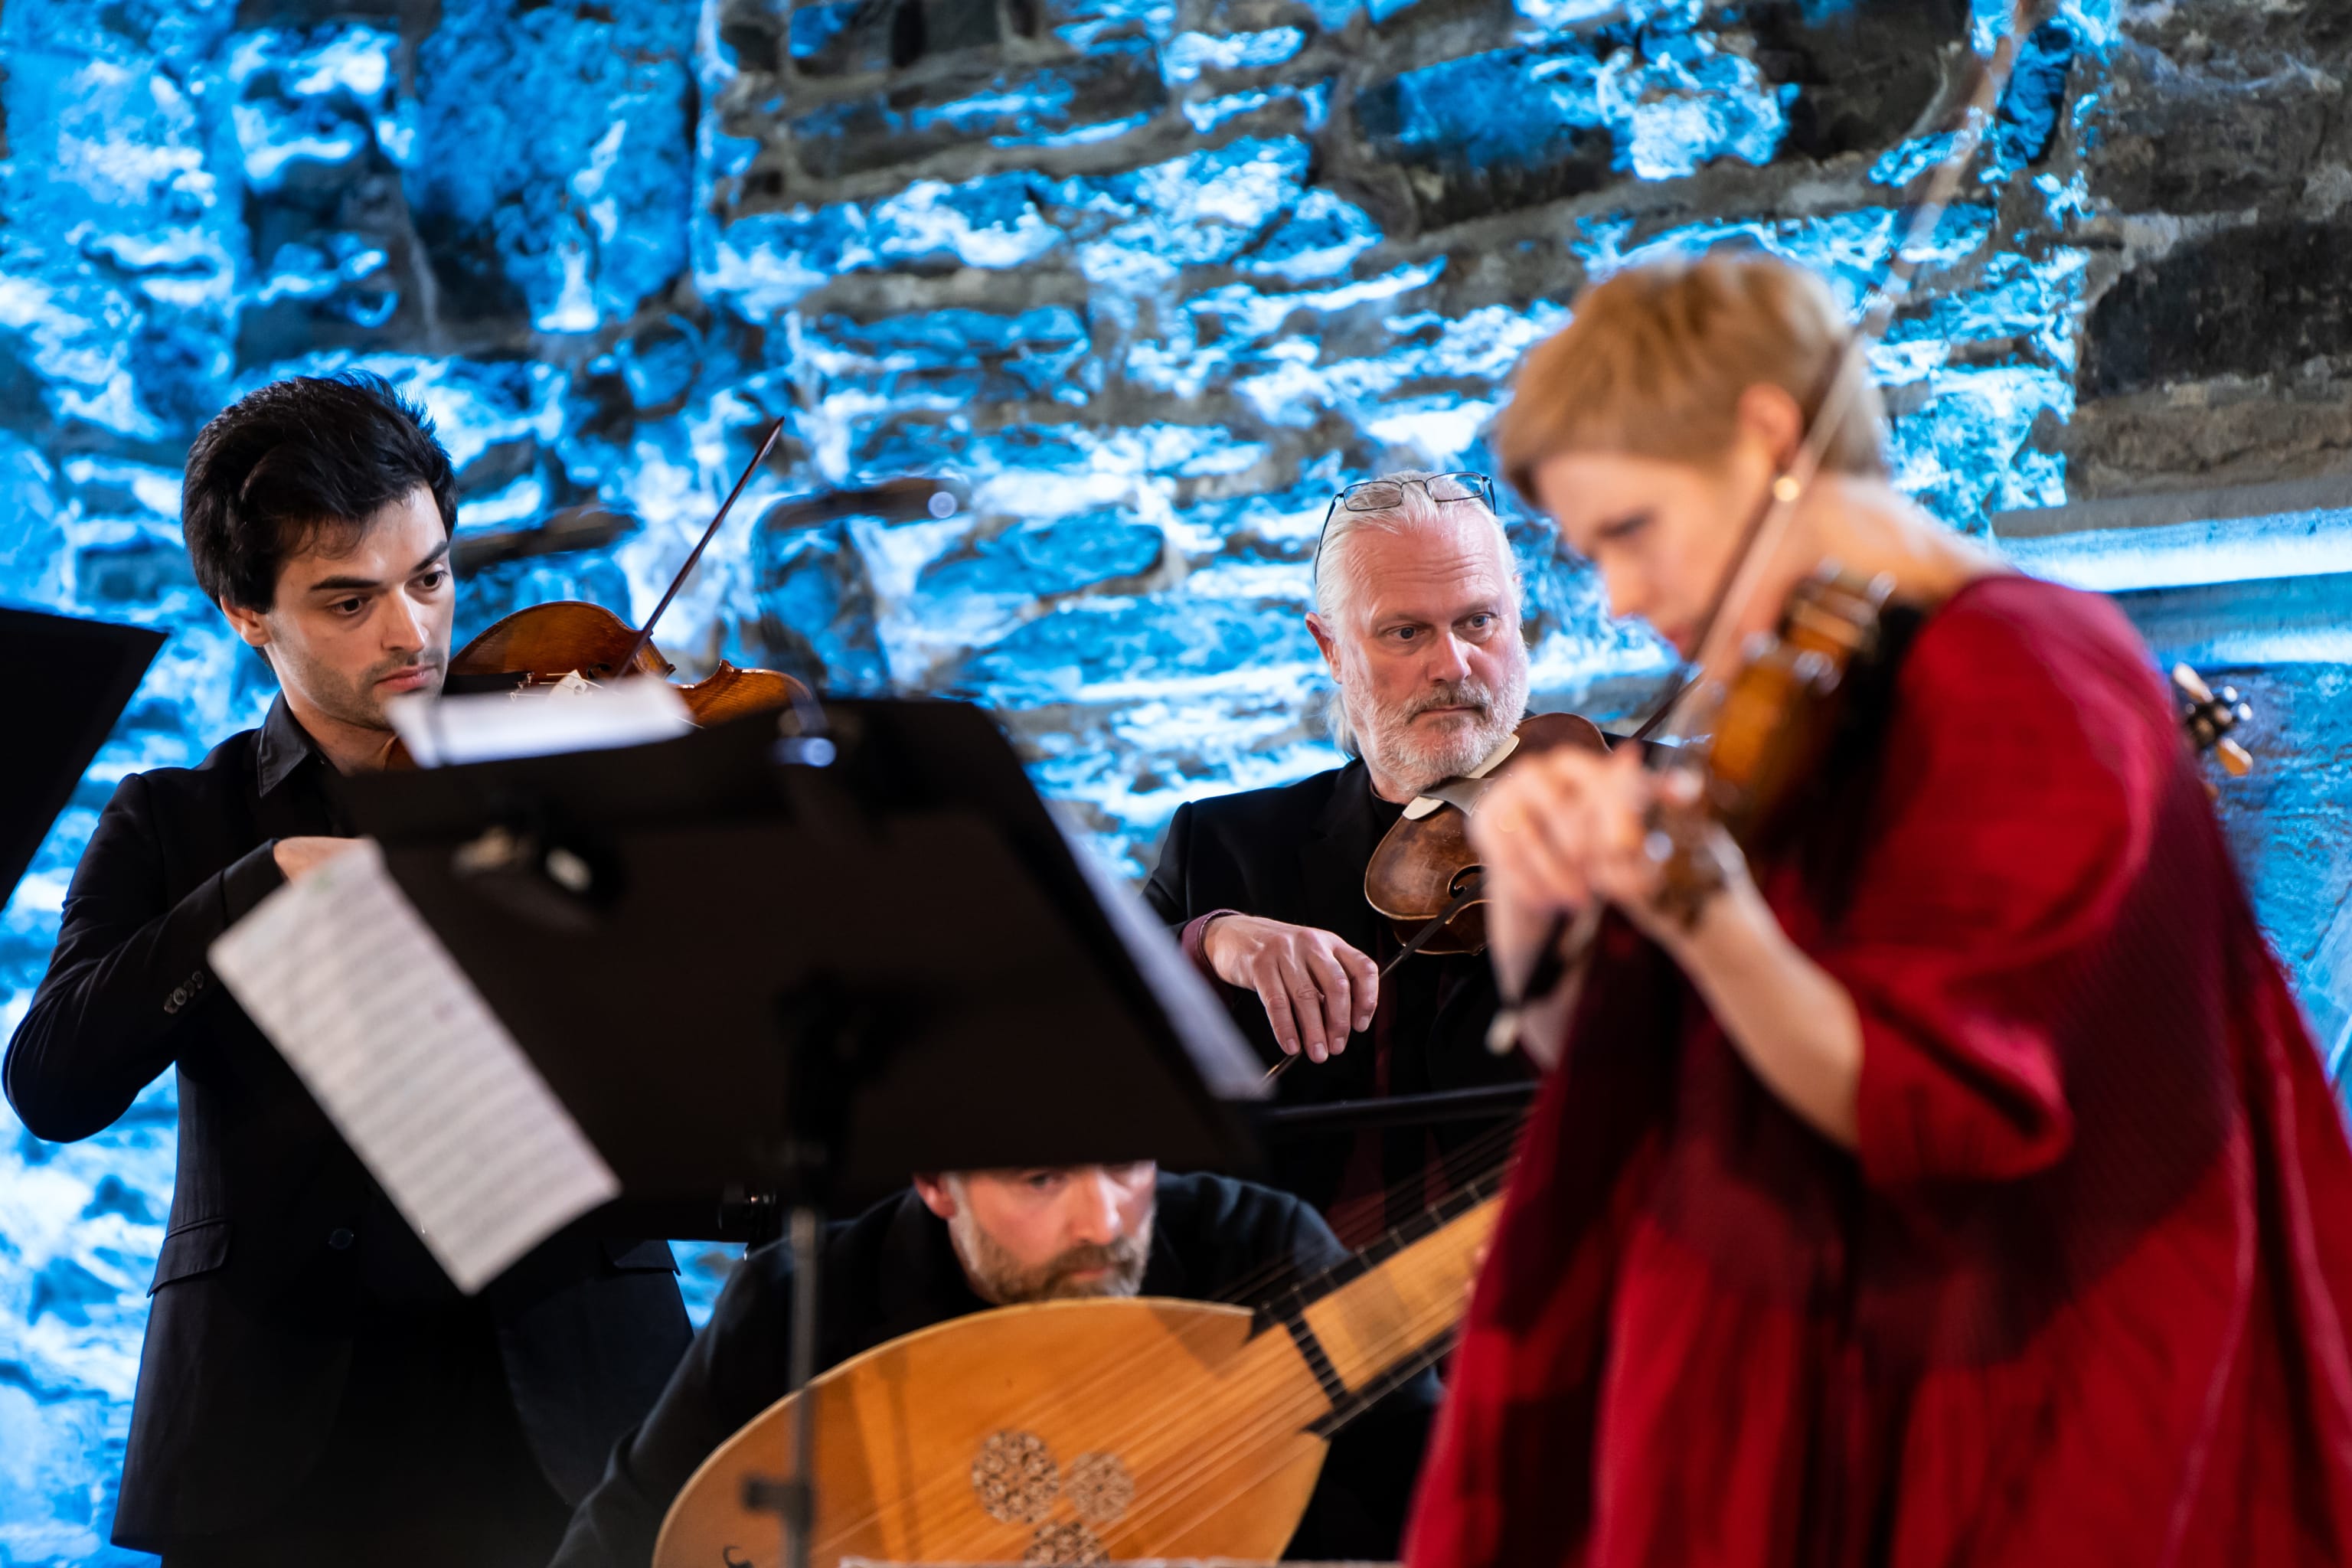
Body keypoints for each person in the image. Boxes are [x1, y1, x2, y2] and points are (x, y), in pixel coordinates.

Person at [1404, 248, 2352, 1567]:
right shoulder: (1812, 690)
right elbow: (1643, 1066)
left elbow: (1945, 1103)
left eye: (1627, 530)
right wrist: (1534, 902)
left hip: (1995, 1426)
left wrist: (1701, 915)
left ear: (1767, 436)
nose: (1617, 596)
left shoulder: (2021, 673)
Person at [3, 374, 692, 1566]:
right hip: (276, 1431)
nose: (412, 633)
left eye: (429, 578)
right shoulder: (177, 820)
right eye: (347, 600)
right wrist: (254, 888)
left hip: (578, 1409)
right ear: (244, 612)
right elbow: (55, 1086)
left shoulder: (579, 765)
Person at [550, 1163, 1436, 1565]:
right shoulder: (804, 1301)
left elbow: (1449, 1506)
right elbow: (617, 1537)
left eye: (1125, 1164)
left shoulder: (1263, 1249)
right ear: (938, 1185)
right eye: (1042, 1179)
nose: (1103, 1219)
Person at [1145, 472, 1538, 1240]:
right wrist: (1210, 941)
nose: (1453, 664)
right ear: (1329, 646)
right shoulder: (1224, 845)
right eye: (1405, 632)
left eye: (1479, 621)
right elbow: (1086, 1033)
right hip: (1307, 1304)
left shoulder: (1636, 806)